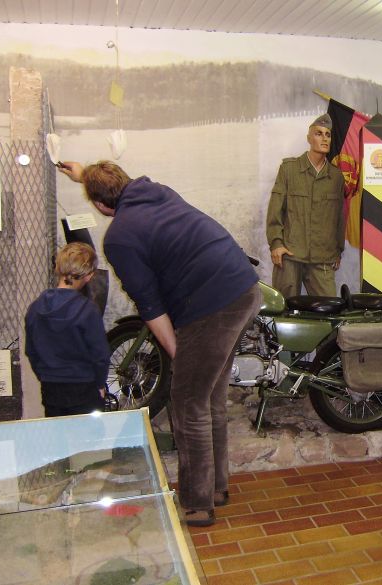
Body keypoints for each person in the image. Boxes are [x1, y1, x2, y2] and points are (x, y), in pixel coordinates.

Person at [59, 160, 261, 528]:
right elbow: (111, 182)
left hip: (212, 305)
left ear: (102, 206)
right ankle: (216, 487)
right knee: (209, 394)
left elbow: (151, 308)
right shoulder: (157, 191)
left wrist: (178, 354)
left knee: (187, 400)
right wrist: (83, 173)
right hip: (244, 288)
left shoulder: (119, 236)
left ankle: (198, 504)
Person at [25, 242, 109, 417]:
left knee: (58, 437)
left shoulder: (35, 308)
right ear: (89, 276)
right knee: (88, 440)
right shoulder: (88, 310)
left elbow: (31, 351)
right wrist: (100, 385)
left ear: (58, 268)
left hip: (51, 388)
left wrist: (45, 376)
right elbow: (100, 354)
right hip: (84, 387)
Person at [266, 113, 345, 298]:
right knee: (283, 314)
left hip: (322, 258)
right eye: (318, 133)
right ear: (309, 138)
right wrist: (276, 243)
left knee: (329, 313)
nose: (324, 138)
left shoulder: (336, 177)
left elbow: (339, 218)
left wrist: (338, 250)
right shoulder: (289, 169)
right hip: (291, 256)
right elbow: (275, 209)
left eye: (328, 134)